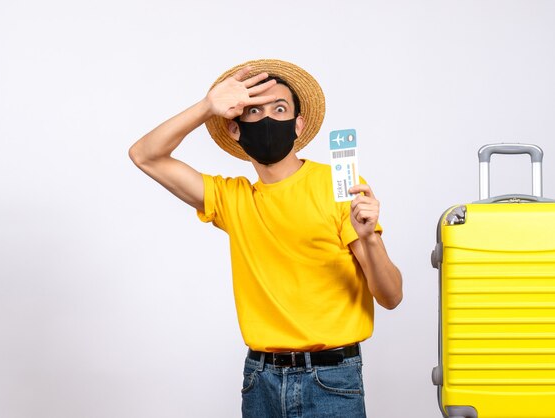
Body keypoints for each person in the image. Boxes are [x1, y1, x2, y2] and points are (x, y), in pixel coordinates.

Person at [129, 59, 402, 418]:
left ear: (297, 124)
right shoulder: (233, 198)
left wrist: (369, 239)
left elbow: (391, 296)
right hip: (260, 380)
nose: (268, 118)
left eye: (280, 108)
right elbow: (144, 154)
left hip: (331, 379)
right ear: (237, 129)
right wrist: (207, 106)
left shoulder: (337, 186)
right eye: (253, 110)